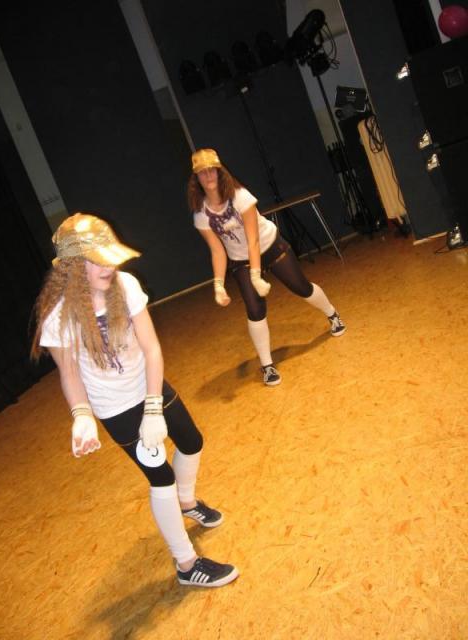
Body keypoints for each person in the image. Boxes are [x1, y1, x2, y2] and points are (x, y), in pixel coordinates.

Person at [31, 212, 239, 588]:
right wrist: (82, 416)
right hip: (116, 407)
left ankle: (187, 502)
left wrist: (154, 406)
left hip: (149, 385)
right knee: (161, 477)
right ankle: (187, 565)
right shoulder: (59, 317)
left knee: (192, 442)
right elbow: (70, 374)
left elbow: (151, 348)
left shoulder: (125, 285)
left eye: (109, 257)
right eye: (96, 261)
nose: (108, 267)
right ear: (73, 267)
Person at [187, 148, 346, 386]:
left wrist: (256, 275)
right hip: (240, 259)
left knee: (301, 287)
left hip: (268, 245)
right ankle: (267, 365)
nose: (208, 176)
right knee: (254, 309)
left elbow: (253, 240)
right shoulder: (201, 214)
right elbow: (217, 251)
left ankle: (333, 315)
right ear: (196, 178)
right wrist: (218, 285)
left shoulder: (240, 196)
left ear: (220, 172)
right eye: (202, 172)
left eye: (212, 170)